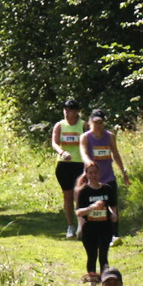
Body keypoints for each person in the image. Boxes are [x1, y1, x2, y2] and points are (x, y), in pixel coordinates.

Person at [80, 109, 130, 246]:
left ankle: (115, 235)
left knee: (112, 205)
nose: (98, 125)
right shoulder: (85, 137)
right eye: (95, 122)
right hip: (93, 179)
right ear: (90, 122)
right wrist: (89, 164)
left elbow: (116, 154)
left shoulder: (110, 136)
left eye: (101, 122)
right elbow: (83, 153)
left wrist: (123, 172)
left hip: (108, 177)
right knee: (93, 206)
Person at [74, 163, 117, 286]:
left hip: (105, 228)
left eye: (95, 173)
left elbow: (112, 206)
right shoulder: (83, 191)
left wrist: (114, 215)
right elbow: (78, 212)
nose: (93, 175)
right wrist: (92, 208)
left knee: (104, 256)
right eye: (90, 173)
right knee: (92, 256)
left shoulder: (107, 189)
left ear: (99, 174)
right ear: (86, 174)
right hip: (89, 229)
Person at [51, 99, 87, 239]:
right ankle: (70, 226)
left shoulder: (83, 125)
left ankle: (81, 225)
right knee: (68, 196)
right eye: (65, 110)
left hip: (80, 164)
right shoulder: (59, 125)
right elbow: (54, 142)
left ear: (77, 111)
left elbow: (90, 141)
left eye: (70, 110)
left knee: (80, 196)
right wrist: (62, 152)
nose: (67, 112)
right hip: (64, 164)